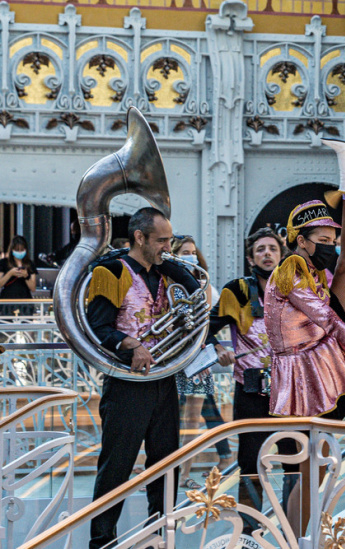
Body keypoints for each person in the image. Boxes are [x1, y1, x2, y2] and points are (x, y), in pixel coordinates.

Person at [264, 140, 345, 535]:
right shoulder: (291, 268)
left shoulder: (310, 269)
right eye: (322, 242)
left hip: (321, 361)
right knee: (310, 468)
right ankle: (293, 539)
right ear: (300, 240)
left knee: (316, 466)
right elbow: (333, 323)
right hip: (303, 373)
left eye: (330, 240)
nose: (329, 248)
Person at [86, 207, 200, 549]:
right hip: (127, 385)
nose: (168, 246)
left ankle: (160, 537)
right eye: (162, 240)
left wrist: (172, 264)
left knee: (166, 464)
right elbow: (97, 326)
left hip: (164, 380)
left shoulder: (166, 273)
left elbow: (195, 294)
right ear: (139, 237)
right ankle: (101, 542)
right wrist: (129, 344)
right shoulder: (111, 271)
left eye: (170, 240)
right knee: (116, 467)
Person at [208, 227, 293, 533]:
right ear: (250, 258)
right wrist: (218, 348)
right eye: (260, 249)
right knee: (250, 463)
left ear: (281, 255)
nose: (267, 254)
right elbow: (206, 329)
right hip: (250, 390)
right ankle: (248, 533)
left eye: (272, 248)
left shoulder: (297, 289)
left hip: (290, 392)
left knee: (295, 461)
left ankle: (293, 530)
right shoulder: (237, 290)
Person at [170, 236, 221, 490]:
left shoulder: (204, 284)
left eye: (192, 252)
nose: (190, 256)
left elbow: (206, 322)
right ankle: (162, 472)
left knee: (192, 419)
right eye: (184, 252)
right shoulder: (167, 282)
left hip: (197, 357)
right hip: (171, 356)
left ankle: (184, 474)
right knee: (167, 419)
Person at [0, 235, 38, 315]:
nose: (20, 252)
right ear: (12, 250)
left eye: (22, 250)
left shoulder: (30, 264)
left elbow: (33, 288)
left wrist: (26, 276)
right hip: (7, 302)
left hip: (25, 302)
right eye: (17, 250)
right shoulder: (3, 263)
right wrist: (10, 273)